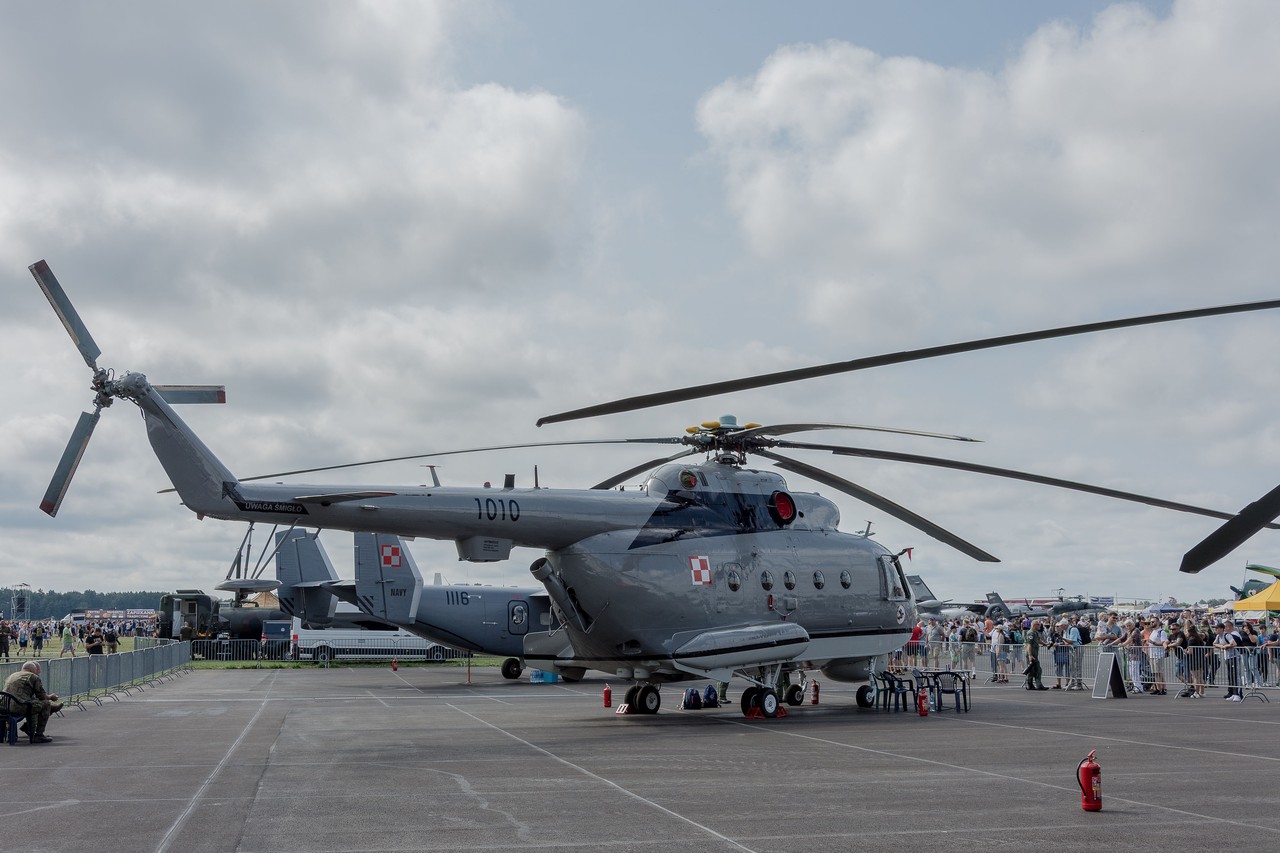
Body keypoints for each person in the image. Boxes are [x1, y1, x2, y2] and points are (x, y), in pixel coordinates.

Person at [1, 661, 62, 743]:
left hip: (4, 707)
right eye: (37, 671)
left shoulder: (12, 675)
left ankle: (25, 729)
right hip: (20, 706)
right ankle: (39, 735)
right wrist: (51, 697)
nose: (38, 673)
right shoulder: (32, 677)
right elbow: (42, 696)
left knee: (34, 702)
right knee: (46, 704)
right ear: (32, 670)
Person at [1213, 621, 1242, 701]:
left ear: (1222, 629)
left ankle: (1238, 694)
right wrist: (1222, 646)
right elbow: (1214, 644)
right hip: (1227, 658)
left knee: (1235, 675)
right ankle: (1233, 693)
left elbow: (1234, 643)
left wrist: (1226, 646)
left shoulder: (1227, 635)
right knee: (1230, 676)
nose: (1215, 630)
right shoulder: (1218, 636)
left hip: (1234, 656)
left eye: (1217, 628)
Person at [1023, 619, 1048, 690]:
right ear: (1034, 625)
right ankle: (1029, 684)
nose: (1039, 626)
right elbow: (1029, 645)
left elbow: (1038, 640)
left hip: (1035, 654)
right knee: (1031, 670)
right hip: (1031, 654)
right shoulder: (1030, 633)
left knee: (1038, 670)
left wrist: (1044, 644)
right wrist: (1030, 655)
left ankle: (1038, 685)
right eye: (1038, 624)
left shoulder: (1035, 633)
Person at [1147, 618, 1169, 695]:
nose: (1151, 623)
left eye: (1153, 622)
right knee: (1155, 672)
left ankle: (1161, 688)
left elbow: (1163, 642)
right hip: (1152, 654)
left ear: (1158, 622)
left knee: (1158, 672)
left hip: (1158, 654)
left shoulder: (1161, 632)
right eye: (1151, 622)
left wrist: (1153, 642)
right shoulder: (1153, 631)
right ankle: (1159, 687)